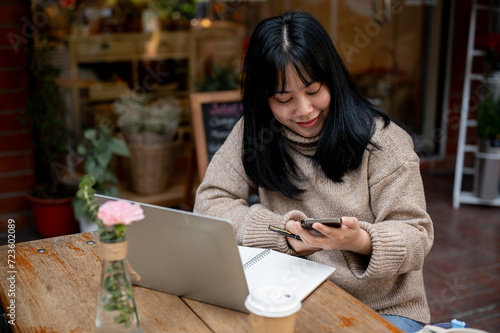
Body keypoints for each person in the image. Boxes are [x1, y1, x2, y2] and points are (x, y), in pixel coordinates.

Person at [193, 11, 433, 333]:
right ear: (264, 99)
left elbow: (416, 236)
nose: (303, 110)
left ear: (332, 79)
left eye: (313, 89)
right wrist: (283, 233)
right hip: (289, 297)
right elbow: (210, 203)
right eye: (283, 98)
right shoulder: (255, 133)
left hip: (383, 309)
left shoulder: (384, 143)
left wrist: (359, 240)